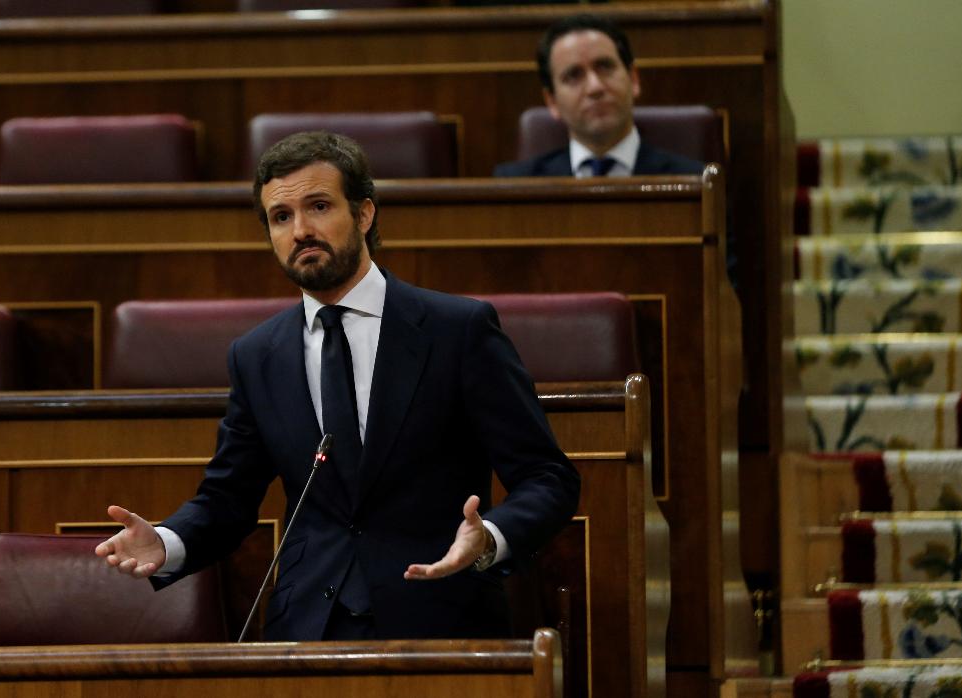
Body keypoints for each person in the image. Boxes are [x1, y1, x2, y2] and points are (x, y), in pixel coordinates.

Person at [97, 131, 581, 642]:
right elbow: (227, 499)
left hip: (438, 613)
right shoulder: (257, 355)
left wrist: (491, 540)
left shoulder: (457, 330)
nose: (301, 230)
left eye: (319, 206)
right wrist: (169, 541)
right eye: (281, 217)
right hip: (305, 628)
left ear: (364, 213)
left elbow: (548, 477)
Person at [494, 14, 703, 178]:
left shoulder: (695, 182)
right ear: (552, 101)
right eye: (574, 75)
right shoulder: (516, 185)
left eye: (605, 67)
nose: (595, 87)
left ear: (634, 80)